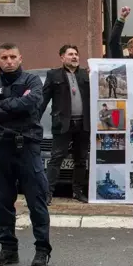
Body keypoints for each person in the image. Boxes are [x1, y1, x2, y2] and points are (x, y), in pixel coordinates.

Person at [0, 42, 52, 266]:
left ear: (20, 59)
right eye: (4, 57)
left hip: (27, 149)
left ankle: (42, 250)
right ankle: (8, 250)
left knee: (37, 201)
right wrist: (16, 107)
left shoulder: (32, 82)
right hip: (0, 149)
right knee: (3, 203)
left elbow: (31, 104)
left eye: (13, 57)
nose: (9, 61)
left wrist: (4, 105)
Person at [41, 45, 90, 206]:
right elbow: (43, 100)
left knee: (81, 159)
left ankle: (77, 192)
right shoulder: (53, 75)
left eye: (76, 54)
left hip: (83, 124)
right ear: (62, 57)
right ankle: (48, 193)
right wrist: (33, 119)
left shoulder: (86, 74)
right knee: (56, 158)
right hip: (62, 124)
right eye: (70, 54)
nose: (74, 57)